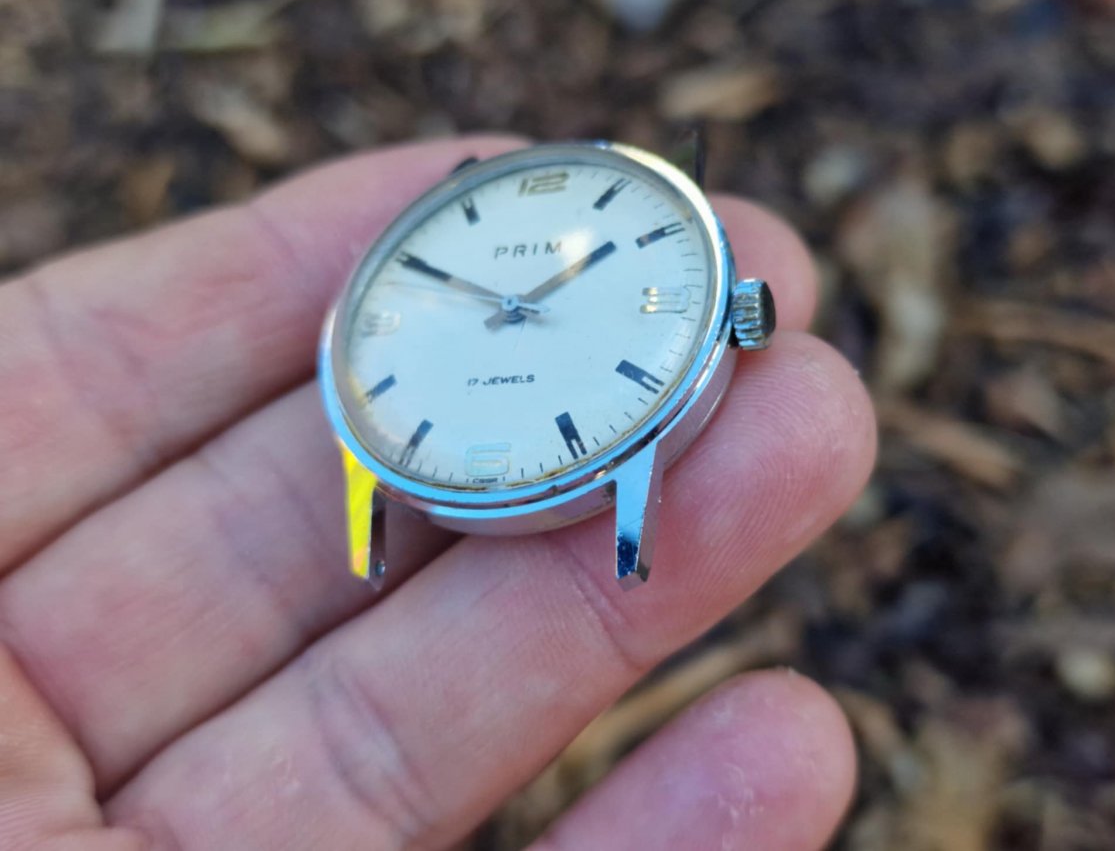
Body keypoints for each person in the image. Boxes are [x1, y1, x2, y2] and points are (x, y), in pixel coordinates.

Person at [0, 136, 876, 850]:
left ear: (739, 313)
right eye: (501, 298)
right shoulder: (371, 345)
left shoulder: (685, 292)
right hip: (401, 454)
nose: (514, 308)